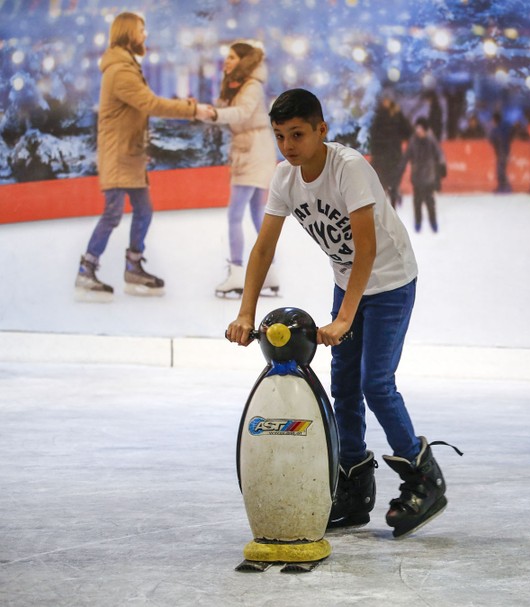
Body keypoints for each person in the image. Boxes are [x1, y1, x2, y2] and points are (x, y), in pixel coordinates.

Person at [225, 88, 458, 538]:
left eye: (297, 134)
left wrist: (345, 318)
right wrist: (245, 313)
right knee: (343, 386)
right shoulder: (284, 177)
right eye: (280, 136)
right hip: (348, 282)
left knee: (376, 383)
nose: (288, 145)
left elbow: (366, 249)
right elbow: (263, 248)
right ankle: (354, 486)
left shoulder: (348, 167)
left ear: (321, 130)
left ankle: (423, 477)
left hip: (390, 282)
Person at [74, 12, 214, 302]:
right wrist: (193, 110)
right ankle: (86, 270)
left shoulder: (127, 66)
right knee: (113, 213)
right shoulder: (120, 71)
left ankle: (133, 266)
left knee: (144, 209)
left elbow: (138, 111)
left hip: (130, 155)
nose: (145, 35)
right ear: (128, 33)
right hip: (118, 156)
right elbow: (150, 104)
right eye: (141, 30)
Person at [203, 41, 279, 298]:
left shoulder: (252, 85)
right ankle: (270, 272)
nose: (227, 61)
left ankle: (237, 271)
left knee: (235, 214)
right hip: (254, 149)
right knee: (257, 213)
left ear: (244, 61)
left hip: (251, 153)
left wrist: (214, 114)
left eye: (233, 57)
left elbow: (240, 113)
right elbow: (229, 110)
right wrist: (210, 110)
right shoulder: (242, 84)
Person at [398, 117, 445, 233]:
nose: (418, 131)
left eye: (420, 129)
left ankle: (433, 222)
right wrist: (401, 168)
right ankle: (418, 222)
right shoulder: (413, 141)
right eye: (417, 128)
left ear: (425, 130)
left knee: (430, 202)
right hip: (417, 177)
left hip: (429, 176)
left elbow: (439, 153)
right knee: (417, 202)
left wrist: (442, 165)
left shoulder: (431, 140)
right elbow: (406, 156)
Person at [369, 93, 412, 208]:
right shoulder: (379, 116)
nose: (386, 102)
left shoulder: (397, 114)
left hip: (394, 156)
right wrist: (375, 155)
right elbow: (374, 136)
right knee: (381, 184)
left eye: (387, 99)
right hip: (382, 157)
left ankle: (393, 205)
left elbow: (407, 132)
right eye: (384, 100)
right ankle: (384, 206)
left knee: (393, 183)